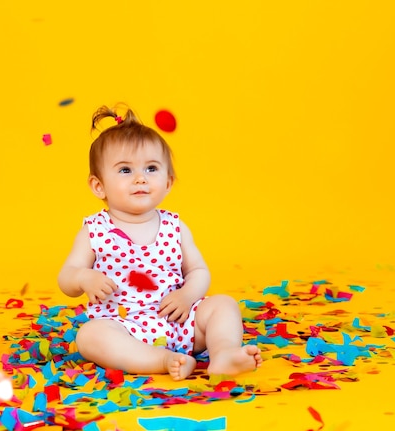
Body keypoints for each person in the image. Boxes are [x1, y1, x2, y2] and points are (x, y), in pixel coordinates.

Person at [57, 105, 262, 380]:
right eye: (125, 170)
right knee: (90, 336)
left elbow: (199, 271)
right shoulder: (95, 230)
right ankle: (163, 359)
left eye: (151, 168)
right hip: (125, 328)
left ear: (168, 182)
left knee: (223, 305)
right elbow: (66, 276)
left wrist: (187, 296)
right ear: (99, 186)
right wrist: (83, 277)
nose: (141, 178)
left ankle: (224, 352)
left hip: (180, 320)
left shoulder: (175, 227)